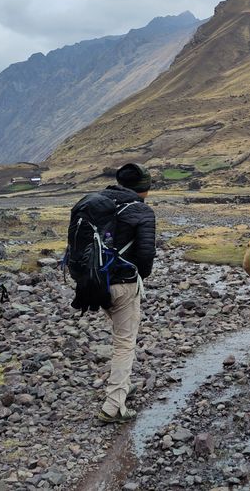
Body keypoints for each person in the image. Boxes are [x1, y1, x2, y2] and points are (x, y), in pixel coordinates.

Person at [96, 163, 156, 423]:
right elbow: (145, 256)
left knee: (118, 332)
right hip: (123, 283)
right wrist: (138, 278)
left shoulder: (96, 204)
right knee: (124, 343)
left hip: (93, 282)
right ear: (143, 187)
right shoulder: (141, 211)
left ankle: (123, 386)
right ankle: (113, 407)